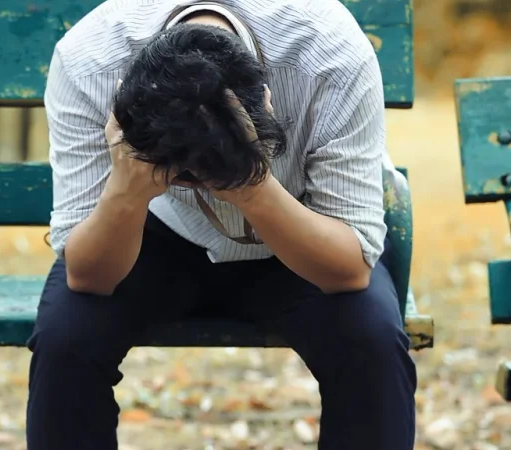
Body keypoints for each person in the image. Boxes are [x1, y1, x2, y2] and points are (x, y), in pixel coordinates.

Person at [25, 0, 417, 449]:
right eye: (183, 171)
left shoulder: (330, 51)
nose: (199, 181)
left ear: (266, 104)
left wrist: (251, 184)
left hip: (303, 222)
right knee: (66, 339)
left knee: (372, 340)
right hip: (154, 233)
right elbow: (87, 276)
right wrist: (129, 190)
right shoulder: (89, 59)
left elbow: (349, 271)